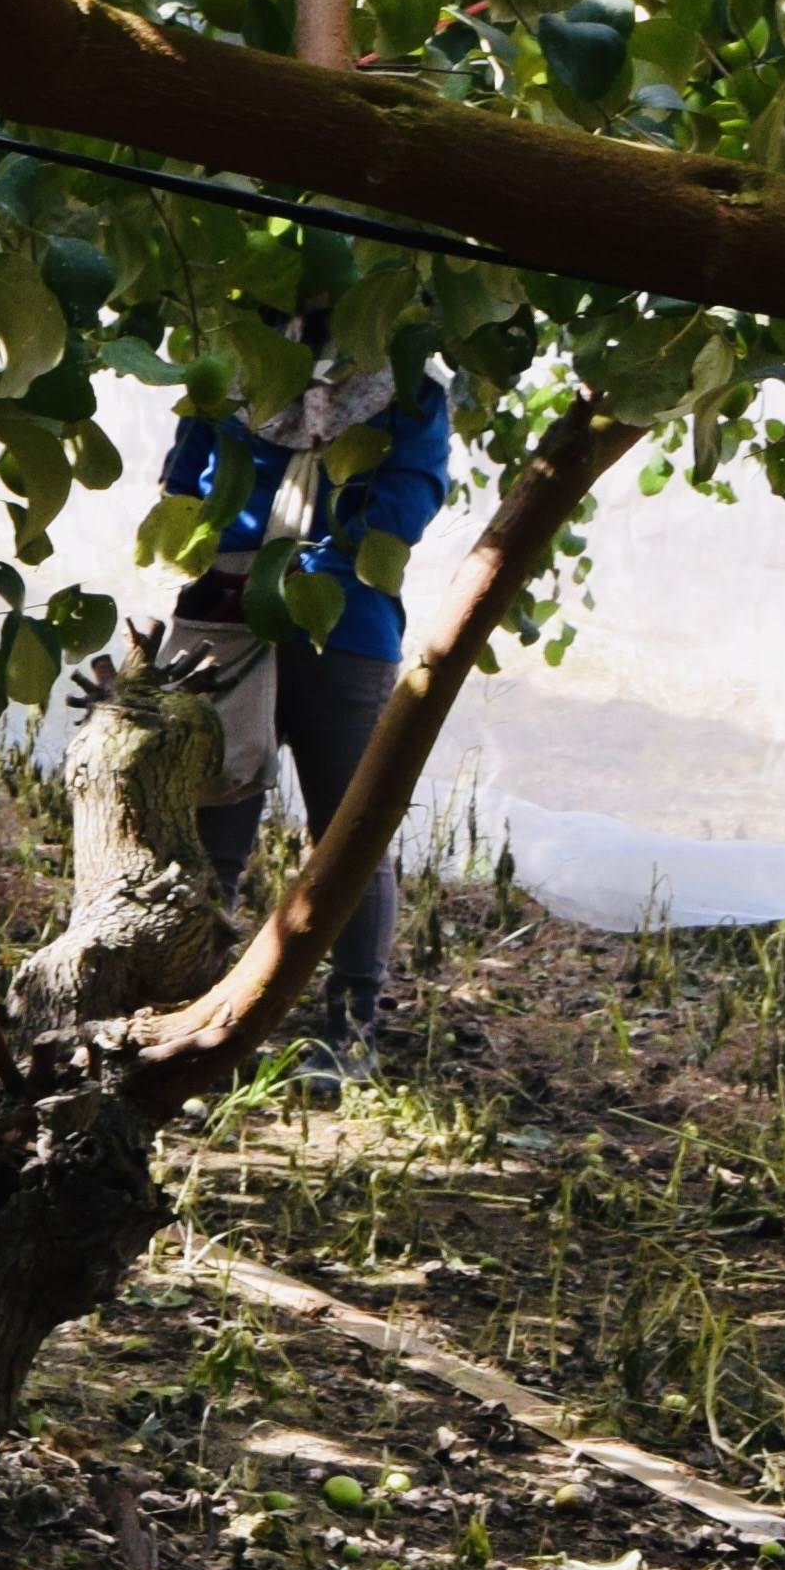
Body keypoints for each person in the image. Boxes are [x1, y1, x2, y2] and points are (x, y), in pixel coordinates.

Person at [161, 330, 463, 1086]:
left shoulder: (406, 385)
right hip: (232, 612)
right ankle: (198, 1016)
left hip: (340, 620)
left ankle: (349, 1028)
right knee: (212, 819)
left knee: (348, 831)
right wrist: (245, 558)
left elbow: (407, 503)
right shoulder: (231, 363)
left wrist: (297, 565)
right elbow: (184, 475)